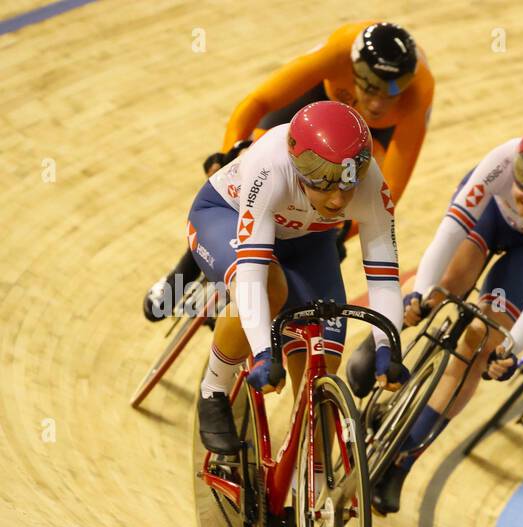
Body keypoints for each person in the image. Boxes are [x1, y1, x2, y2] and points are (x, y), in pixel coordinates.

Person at [188, 102, 404, 527]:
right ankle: (213, 388)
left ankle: (310, 506)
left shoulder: (369, 185)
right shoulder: (271, 165)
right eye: (322, 182)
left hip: (307, 243)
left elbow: (385, 275)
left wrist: (389, 349)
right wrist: (264, 352)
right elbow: (250, 275)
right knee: (270, 285)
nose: (335, 198)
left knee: (322, 367)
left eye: (344, 183)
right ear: (296, 162)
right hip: (225, 218)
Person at [347, 124, 523, 515]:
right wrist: (420, 293)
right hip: (490, 218)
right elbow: (448, 236)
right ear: (517, 167)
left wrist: (512, 348)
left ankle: (403, 462)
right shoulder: (501, 160)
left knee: (481, 342)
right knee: (446, 283)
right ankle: (384, 338)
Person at [144, 21, 431, 321]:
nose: (377, 103)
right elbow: (258, 102)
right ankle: (178, 280)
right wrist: (235, 155)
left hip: (369, 136)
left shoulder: (419, 91)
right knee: (244, 184)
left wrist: (341, 229)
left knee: (340, 206)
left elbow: (389, 190)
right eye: (371, 88)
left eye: (391, 94)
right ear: (353, 69)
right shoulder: (339, 51)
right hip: (315, 104)